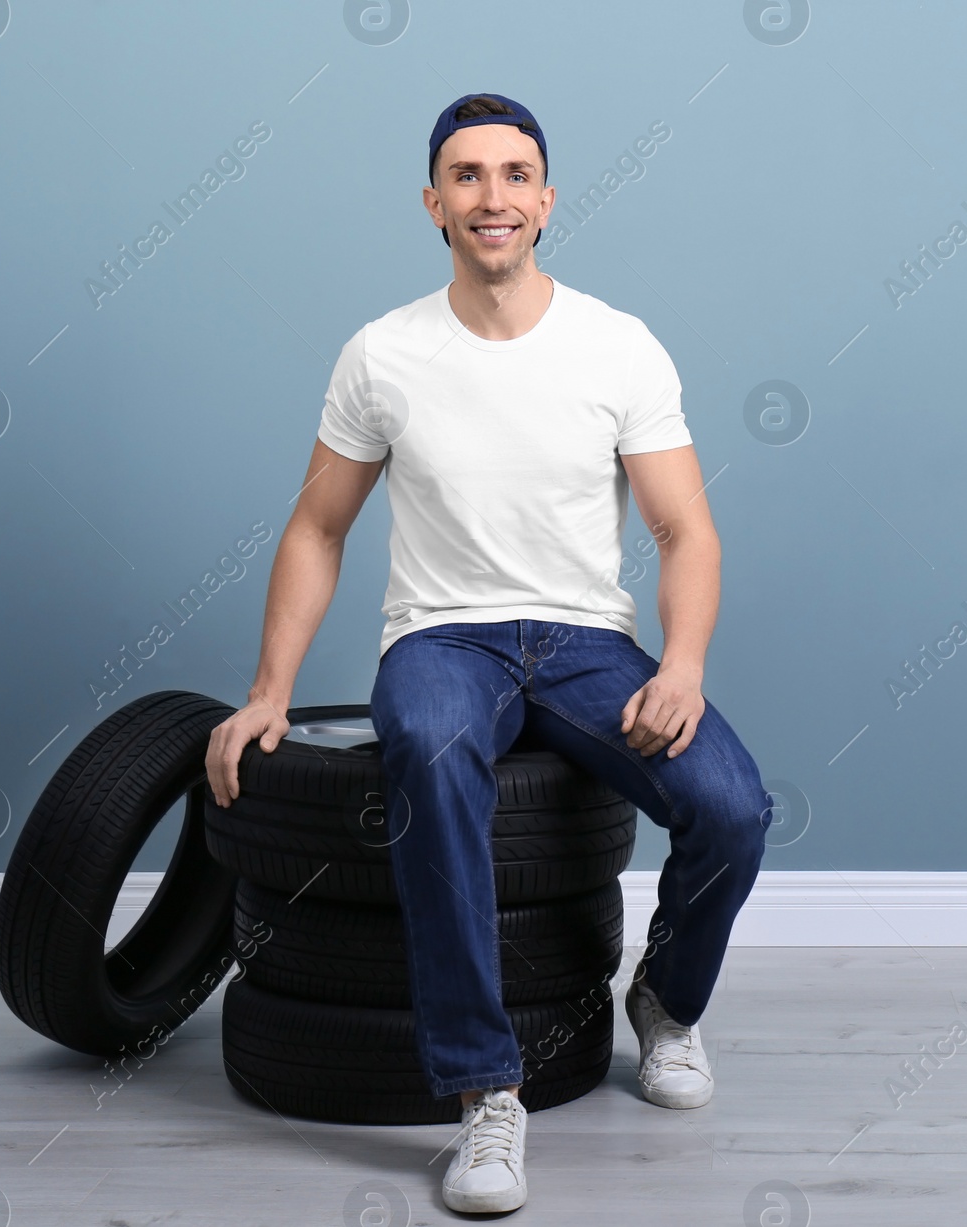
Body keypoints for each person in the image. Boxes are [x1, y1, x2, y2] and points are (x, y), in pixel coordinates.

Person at [205, 92, 772, 1215]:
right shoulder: (382, 352)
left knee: (734, 805)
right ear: (433, 204)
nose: (492, 197)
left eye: (514, 175)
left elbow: (683, 529)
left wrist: (683, 665)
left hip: (584, 644)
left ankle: (663, 1002)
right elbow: (318, 527)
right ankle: (483, 1094)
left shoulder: (617, 343)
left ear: (547, 200)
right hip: (442, 639)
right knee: (424, 744)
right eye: (466, 177)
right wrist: (268, 691)